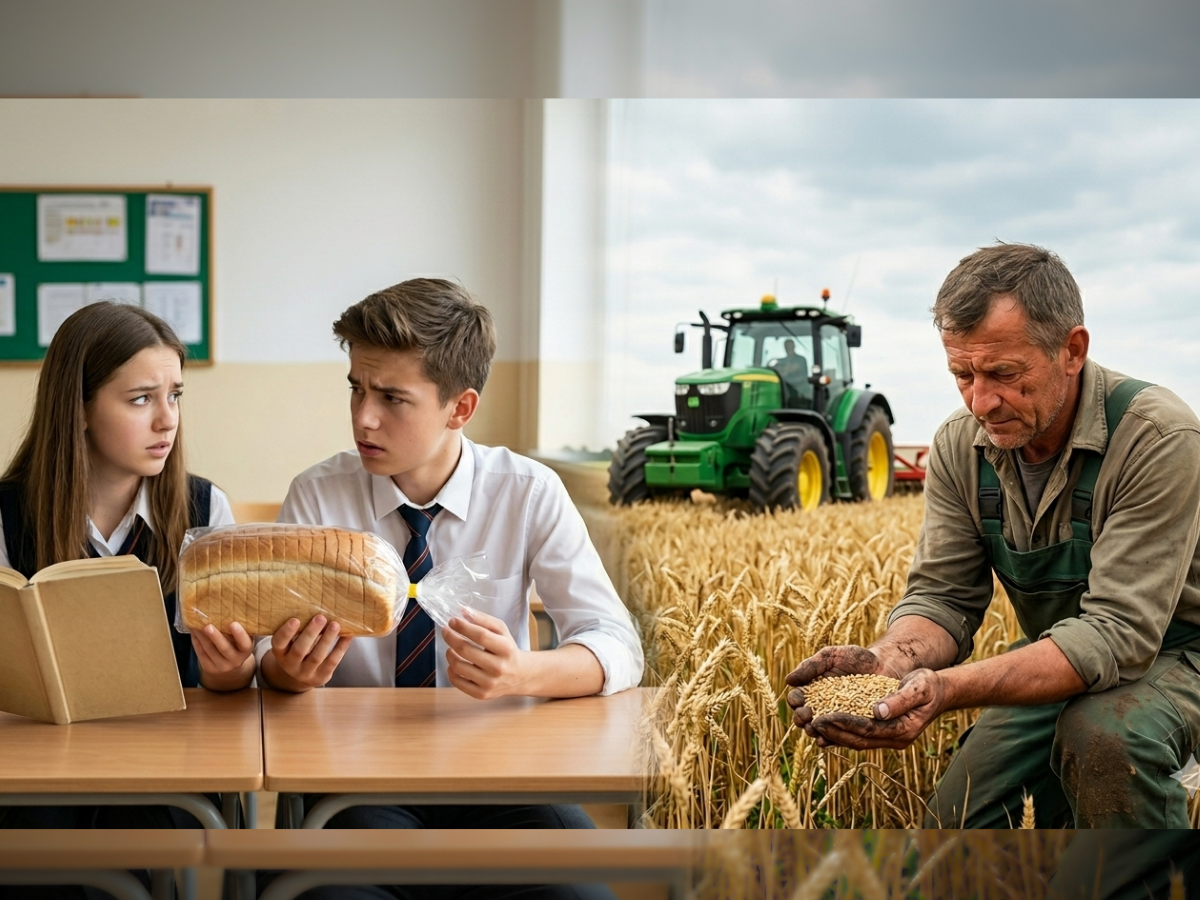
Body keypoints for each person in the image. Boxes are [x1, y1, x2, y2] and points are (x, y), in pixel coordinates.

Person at [784, 244, 1200, 897]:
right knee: (959, 828)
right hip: (1060, 657)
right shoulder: (961, 446)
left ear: (1072, 348)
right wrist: (889, 662)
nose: (982, 402)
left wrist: (945, 691)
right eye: (962, 376)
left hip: (1179, 657)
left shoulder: (1155, 435)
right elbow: (943, 597)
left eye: (1004, 373)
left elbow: (1118, 635)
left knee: (1102, 738)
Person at [254, 278, 644, 900]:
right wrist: (286, 671)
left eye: (392, 398)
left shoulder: (527, 492)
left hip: (505, 781)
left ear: (460, 408)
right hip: (358, 788)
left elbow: (617, 643)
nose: (363, 417)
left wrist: (523, 673)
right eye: (356, 388)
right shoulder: (319, 496)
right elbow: (268, 663)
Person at [0, 302, 242, 839]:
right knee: (36, 830)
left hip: (168, 754)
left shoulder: (204, 510)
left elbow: (236, 681)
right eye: (141, 400)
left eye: (175, 395)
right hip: (37, 754)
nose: (167, 419)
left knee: (149, 825)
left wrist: (232, 670)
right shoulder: (7, 514)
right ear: (78, 408)